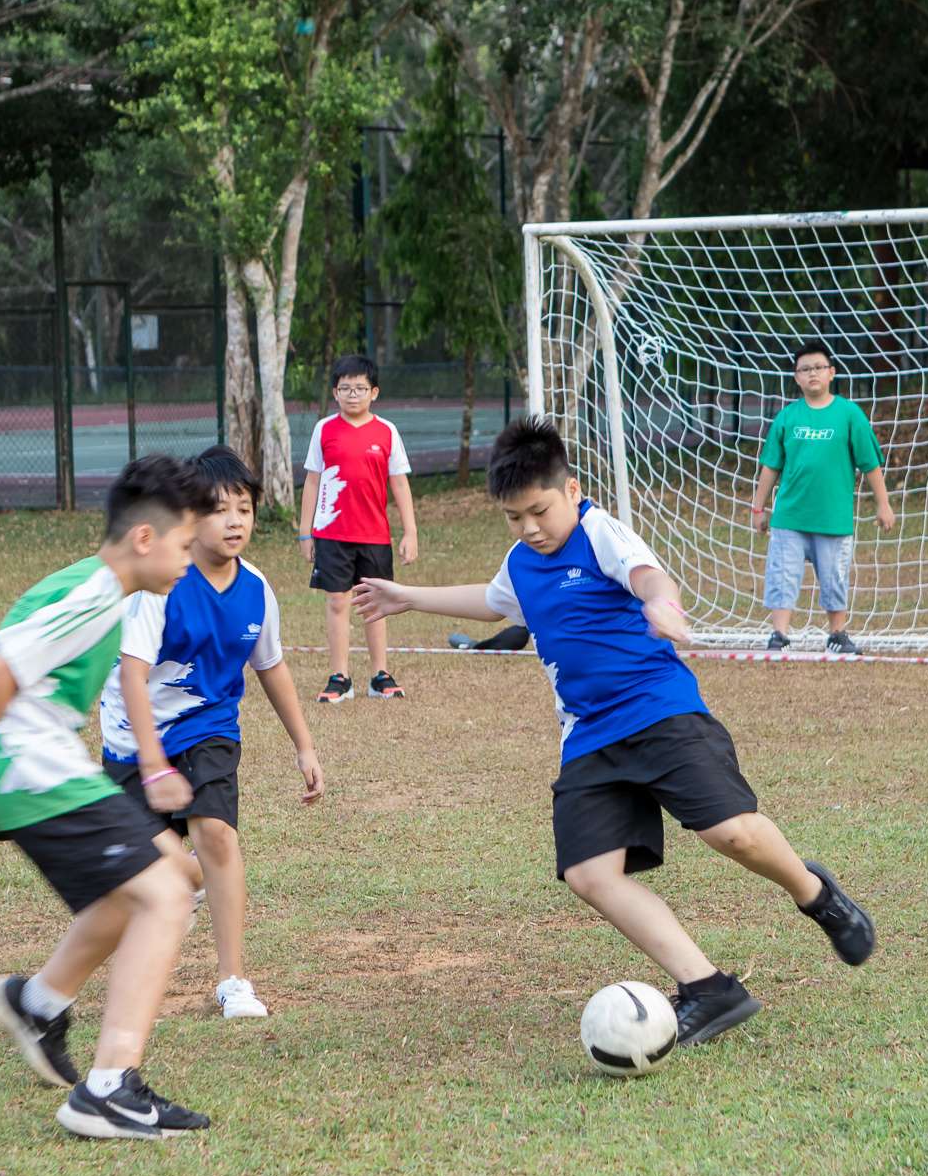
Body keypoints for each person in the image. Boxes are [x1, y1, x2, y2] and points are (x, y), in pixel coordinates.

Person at [353, 417, 876, 1047]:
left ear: (570, 490)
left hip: (660, 710)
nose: (529, 529)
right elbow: (494, 601)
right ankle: (709, 989)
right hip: (589, 737)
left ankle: (816, 893)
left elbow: (645, 574)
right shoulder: (523, 561)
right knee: (589, 873)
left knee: (730, 832)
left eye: (539, 512)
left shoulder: (599, 530)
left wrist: (661, 603)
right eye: (514, 518)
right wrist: (406, 595)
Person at [0, 455, 218, 1141]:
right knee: (165, 895)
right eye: (185, 543)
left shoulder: (108, 593)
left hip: (53, 762)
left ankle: (37, 1002)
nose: (191, 557)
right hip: (34, 767)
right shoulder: (93, 592)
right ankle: (110, 1087)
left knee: (177, 874)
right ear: (146, 540)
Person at [97, 445, 327, 1021]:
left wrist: (305, 746)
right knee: (152, 872)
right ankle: (186, 879)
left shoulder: (257, 590)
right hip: (135, 738)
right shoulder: (160, 585)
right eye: (218, 509)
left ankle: (233, 980)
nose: (234, 522)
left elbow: (270, 666)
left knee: (217, 834)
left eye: (244, 510)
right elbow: (132, 675)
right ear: (188, 517)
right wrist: (151, 765)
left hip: (210, 728)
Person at [752, 342, 896, 654]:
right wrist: (758, 507)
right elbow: (770, 466)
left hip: (833, 518)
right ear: (796, 378)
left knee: (834, 579)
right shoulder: (788, 417)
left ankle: (837, 634)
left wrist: (883, 504)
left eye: (818, 367)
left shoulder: (848, 414)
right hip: (790, 516)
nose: (812, 373)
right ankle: (779, 635)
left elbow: (870, 463)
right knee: (783, 576)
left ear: (831, 373)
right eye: (805, 369)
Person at [300, 354, 418, 701]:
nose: (353, 394)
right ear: (335, 392)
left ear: (374, 392)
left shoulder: (387, 432)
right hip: (332, 534)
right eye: (346, 388)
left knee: (374, 604)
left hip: (374, 535)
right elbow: (311, 482)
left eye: (361, 388)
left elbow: (399, 484)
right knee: (338, 602)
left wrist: (409, 531)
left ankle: (379, 674)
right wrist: (305, 532)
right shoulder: (324, 429)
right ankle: (340, 676)